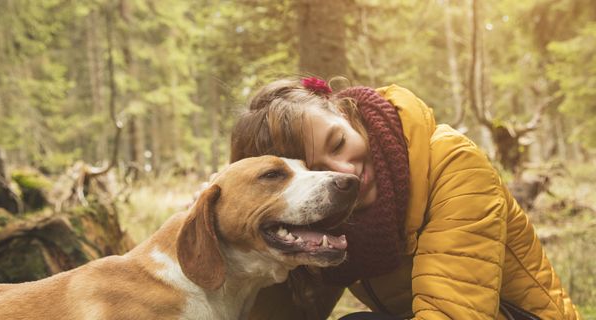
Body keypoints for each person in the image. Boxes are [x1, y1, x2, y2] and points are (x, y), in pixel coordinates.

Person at [229, 77, 581, 320]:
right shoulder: (325, 218)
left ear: (345, 113)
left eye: (338, 143)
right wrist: (230, 229)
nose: (345, 172)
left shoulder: (452, 162)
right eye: (321, 174)